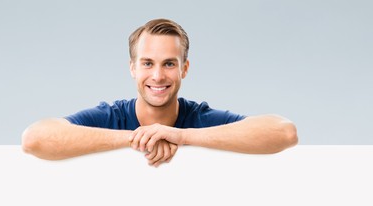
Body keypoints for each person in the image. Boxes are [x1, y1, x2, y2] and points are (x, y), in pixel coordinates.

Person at [22, 18, 298, 167]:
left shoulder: (199, 118)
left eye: (169, 63)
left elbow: (284, 133)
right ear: (132, 68)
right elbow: (35, 139)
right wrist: (140, 139)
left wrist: (181, 136)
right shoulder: (112, 116)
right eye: (147, 63)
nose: (157, 75)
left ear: (184, 69)